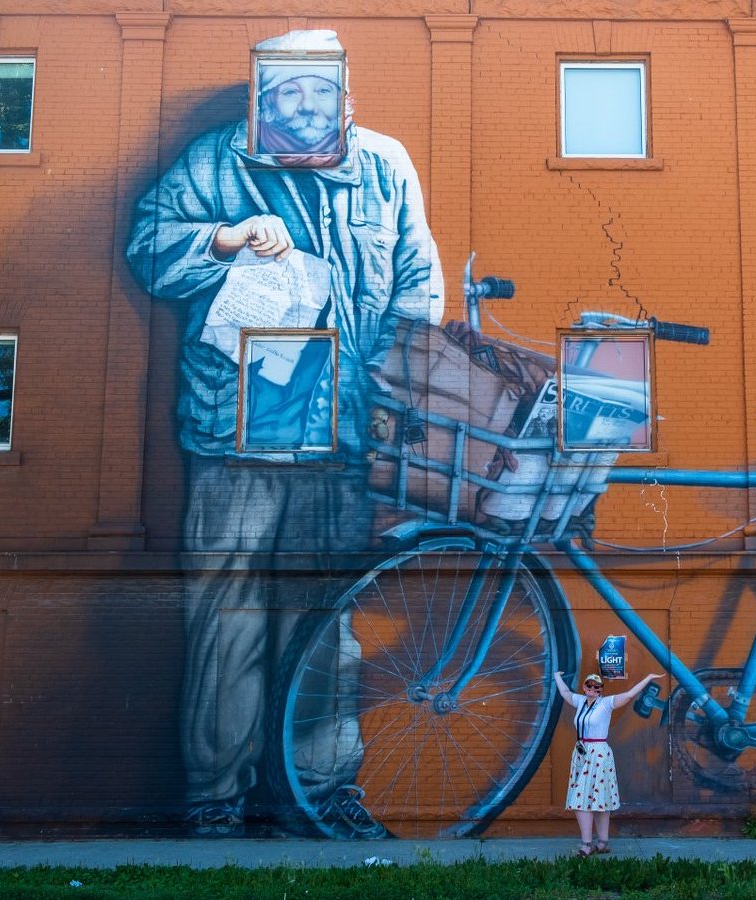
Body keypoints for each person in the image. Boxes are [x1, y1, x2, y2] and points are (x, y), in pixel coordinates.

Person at [126, 28, 443, 836]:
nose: (302, 106)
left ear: (347, 94)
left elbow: (419, 288)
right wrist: (225, 239)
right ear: (262, 96)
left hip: (340, 440)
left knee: (326, 622)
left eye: (318, 90)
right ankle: (217, 802)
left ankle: (322, 795)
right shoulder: (214, 161)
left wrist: (386, 393)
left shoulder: (386, 165)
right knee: (223, 621)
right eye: (285, 92)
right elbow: (147, 245)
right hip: (231, 436)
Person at [553, 670, 662, 856]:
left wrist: (648, 678)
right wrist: (556, 675)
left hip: (598, 754)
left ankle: (591, 844)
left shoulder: (606, 703)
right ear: (584, 687)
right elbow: (564, 693)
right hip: (581, 754)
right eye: (589, 685)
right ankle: (598, 843)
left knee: (594, 800)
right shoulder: (580, 701)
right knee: (586, 799)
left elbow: (628, 695)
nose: (593, 689)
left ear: (601, 689)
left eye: (597, 686)